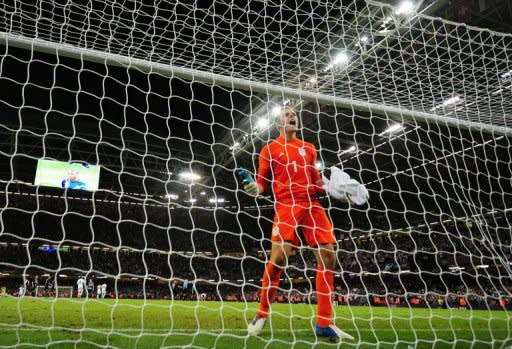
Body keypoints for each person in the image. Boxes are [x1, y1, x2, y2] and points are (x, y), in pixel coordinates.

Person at [243, 107, 359, 342]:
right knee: (278, 260)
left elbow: (316, 180)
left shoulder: (309, 148)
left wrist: (333, 188)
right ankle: (262, 313)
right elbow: (262, 182)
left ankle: (324, 323)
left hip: (312, 205)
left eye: (294, 113)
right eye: (286, 114)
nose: (291, 115)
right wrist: (256, 189)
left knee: (329, 257)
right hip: (287, 205)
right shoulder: (269, 149)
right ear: (277, 123)